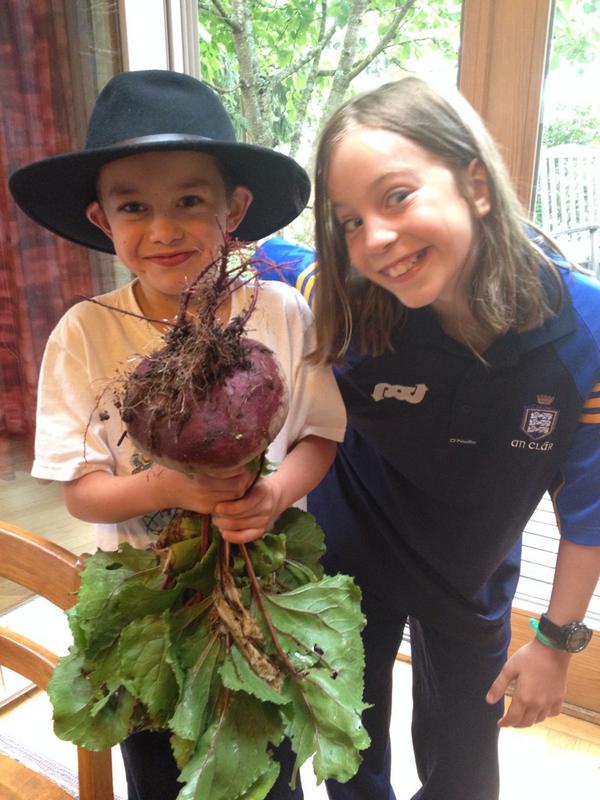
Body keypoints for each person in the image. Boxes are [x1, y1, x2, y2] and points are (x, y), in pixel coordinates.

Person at [9, 69, 346, 800]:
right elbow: (82, 493)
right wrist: (166, 485)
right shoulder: (85, 334)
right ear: (102, 219)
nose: (163, 230)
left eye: (190, 201)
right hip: (148, 613)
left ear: (237, 208)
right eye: (134, 207)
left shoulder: (283, 313)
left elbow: (319, 435)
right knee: (160, 776)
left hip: (266, 598)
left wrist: (277, 490)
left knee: (268, 771)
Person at [300, 77, 600, 800]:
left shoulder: (583, 333)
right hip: (349, 559)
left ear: (476, 184)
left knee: (466, 757)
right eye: (348, 220)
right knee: (347, 742)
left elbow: (591, 509)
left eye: (396, 196)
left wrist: (557, 640)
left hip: (473, 565)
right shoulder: (330, 301)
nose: (374, 239)